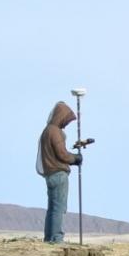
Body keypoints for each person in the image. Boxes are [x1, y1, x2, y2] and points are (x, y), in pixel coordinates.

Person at [36, 101, 82, 243]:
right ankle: (56, 238)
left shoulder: (47, 130)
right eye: (66, 120)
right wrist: (75, 158)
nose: (66, 124)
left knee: (52, 208)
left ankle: (49, 237)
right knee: (59, 208)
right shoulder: (54, 131)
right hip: (58, 174)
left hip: (50, 174)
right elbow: (62, 154)